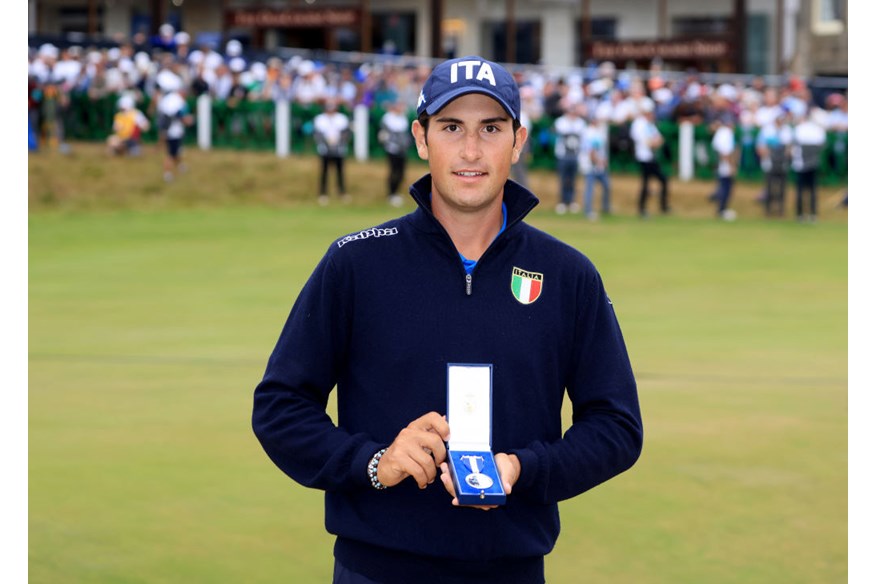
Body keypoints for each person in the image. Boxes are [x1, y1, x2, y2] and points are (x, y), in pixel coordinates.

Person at [252, 55, 643, 584]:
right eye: (451, 127)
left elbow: (617, 426)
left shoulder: (568, 274)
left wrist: (523, 470)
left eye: (491, 128)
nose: (471, 150)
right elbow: (280, 407)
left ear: (519, 141)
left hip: (512, 569)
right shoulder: (355, 263)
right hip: (375, 569)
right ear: (421, 138)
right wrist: (374, 463)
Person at [630, 102, 670, 217]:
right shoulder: (639, 124)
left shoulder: (650, 124)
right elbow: (646, 142)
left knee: (661, 180)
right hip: (644, 158)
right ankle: (642, 208)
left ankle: (662, 206)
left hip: (651, 158)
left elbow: (659, 140)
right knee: (646, 183)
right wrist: (653, 143)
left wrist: (654, 143)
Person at [790, 107, 827, 223]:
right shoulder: (815, 129)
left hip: (803, 163)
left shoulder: (801, 129)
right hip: (808, 162)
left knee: (804, 190)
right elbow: (821, 145)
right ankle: (811, 214)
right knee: (811, 190)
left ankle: (803, 214)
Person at [313, 97, 352, 205]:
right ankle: (323, 193)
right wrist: (326, 143)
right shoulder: (320, 119)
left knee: (340, 171)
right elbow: (317, 135)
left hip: (339, 148)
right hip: (324, 149)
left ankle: (342, 192)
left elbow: (346, 133)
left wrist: (338, 142)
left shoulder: (341, 118)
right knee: (324, 172)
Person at [756, 106, 793, 217]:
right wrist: (769, 155)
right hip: (769, 162)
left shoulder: (787, 130)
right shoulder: (767, 130)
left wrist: (784, 156)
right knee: (769, 187)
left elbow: (790, 148)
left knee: (782, 188)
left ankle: (780, 210)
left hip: (782, 163)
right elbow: (760, 147)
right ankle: (768, 210)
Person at [156, 72, 193, 182]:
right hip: (173, 131)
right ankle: (167, 174)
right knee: (171, 153)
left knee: (176, 151)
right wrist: (187, 120)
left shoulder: (168, 99)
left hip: (171, 130)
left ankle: (180, 166)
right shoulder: (176, 100)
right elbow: (177, 115)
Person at [552, 101, 587, 214]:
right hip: (563, 155)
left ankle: (571, 201)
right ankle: (562, 201)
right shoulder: (561, 122)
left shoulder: (580, 123)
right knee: (563, 179)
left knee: (572, 179)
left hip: (575, 155)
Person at [377, 98, 412, 207]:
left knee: (401, 172)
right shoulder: (387, 118)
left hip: (402, 150)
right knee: (393, 171)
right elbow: (384, 134)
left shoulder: (403, 118)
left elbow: (405, 134)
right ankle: (391, 194)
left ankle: (396, 192)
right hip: (392, 149)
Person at [581, 111, 612, 221]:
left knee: (606, 185)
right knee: (590, 188)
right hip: (592, 165)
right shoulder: (590, 132)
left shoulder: (597, 131)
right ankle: (588, 210)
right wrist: (598, 161)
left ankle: (606, 208)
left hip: (598, 164)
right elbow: (591, 151)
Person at [709, 112, 738, 221]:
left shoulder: (721, 132)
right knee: (726, 187)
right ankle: (722, 210)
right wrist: (731, 166)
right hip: (724, 165)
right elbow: (725, 153)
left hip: (720, 164)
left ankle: (721, 208)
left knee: (723, 186)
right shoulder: (726, 133)